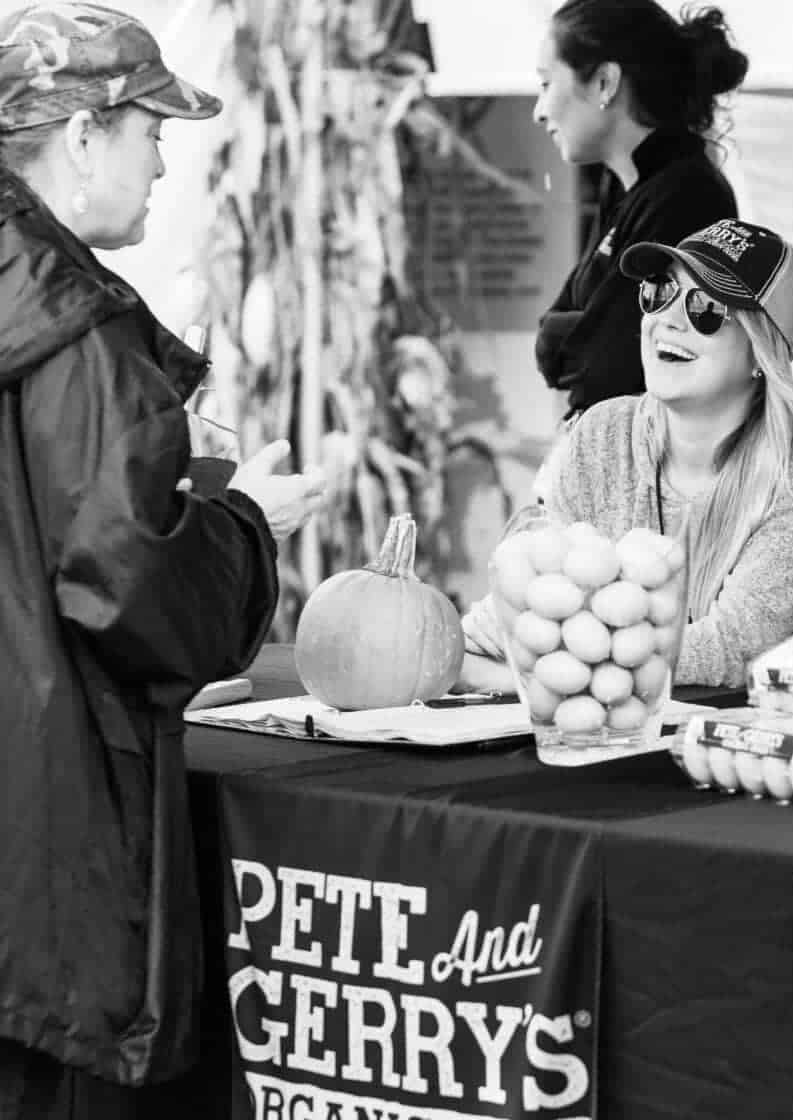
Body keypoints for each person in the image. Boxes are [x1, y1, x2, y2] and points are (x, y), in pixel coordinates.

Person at [0, 5, 324, 1116]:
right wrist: (242, 531)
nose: (162, 160)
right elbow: (128, 586)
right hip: (53, 852)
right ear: (84, 134)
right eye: (150, 131)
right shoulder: (73, 327)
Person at [463, 218, 793, 689]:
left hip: (764, 744)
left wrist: (546, 665)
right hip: (612, 733)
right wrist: (520, 671)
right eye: (659, 292)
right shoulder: (603, 434)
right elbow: (512, 618)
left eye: (706, 307)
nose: (667, 319)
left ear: (761, 349)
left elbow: (731, 653)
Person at [533, 0, 748, 424]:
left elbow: (606, 366)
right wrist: (576, 329)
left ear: (604, 83)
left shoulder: (687, 196)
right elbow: (554, 347)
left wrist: (574, 330)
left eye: (545, 84)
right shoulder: (627, 185)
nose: (539, 112)